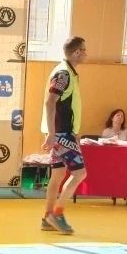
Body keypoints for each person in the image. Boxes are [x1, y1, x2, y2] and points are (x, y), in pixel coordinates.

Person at [40, 36, 88, 236]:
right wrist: (53, 134)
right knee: (80, 174)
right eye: (83, 50)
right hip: (62, 134)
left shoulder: (68, 72)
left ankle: (47, 217)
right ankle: (57, 214)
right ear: (76, 52)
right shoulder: (63, 74)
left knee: (58, 175)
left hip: (62, 133)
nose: (86, 53)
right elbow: (50, 102)